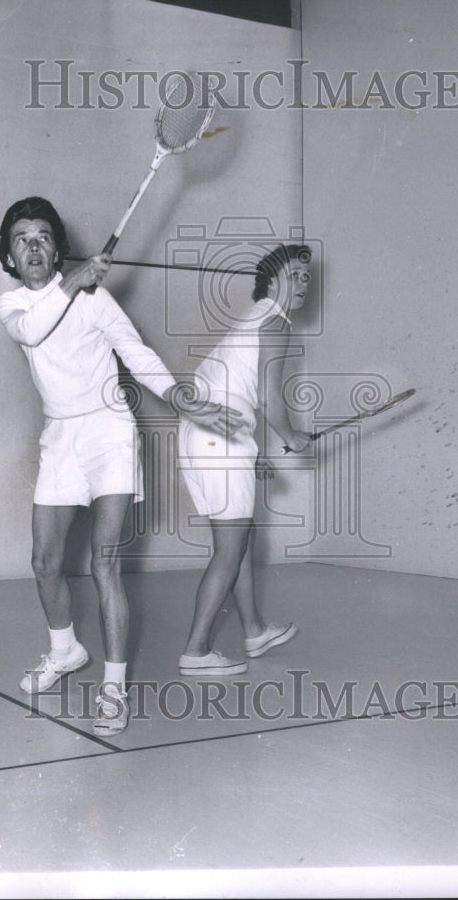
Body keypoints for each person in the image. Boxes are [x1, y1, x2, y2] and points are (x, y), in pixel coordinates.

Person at [0, 196, 243, 736]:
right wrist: (75, 278)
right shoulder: (13, 306)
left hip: (109, 431)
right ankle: (65, 652)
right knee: (44, 561)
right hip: (60, 437)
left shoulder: (95, 300)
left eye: (43, 236)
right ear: (10, 258)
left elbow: (136, 353)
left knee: (105, 562)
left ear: (57, 247)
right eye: (22, 239)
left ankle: (112, 688)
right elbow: (32, 330)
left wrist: (181, 398)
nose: (34, 246)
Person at [176, 243, 314, 676]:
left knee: (243, 535)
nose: (304, 283)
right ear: (272, 281)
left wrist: (248, 453)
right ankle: (196, 651)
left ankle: (254, 629)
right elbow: (268, 398)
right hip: (221, 437)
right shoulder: (274, 321)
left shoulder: (249, 321)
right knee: (230, 549)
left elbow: (227, 387)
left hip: (207, 433)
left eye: (308, 276)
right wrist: (293, 436)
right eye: (295, 274)